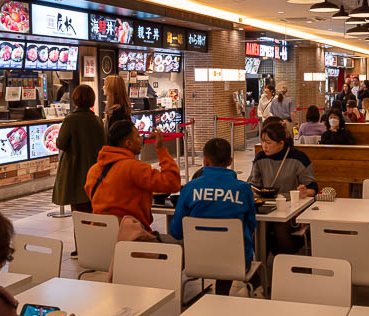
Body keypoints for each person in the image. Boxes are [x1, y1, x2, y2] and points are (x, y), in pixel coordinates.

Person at [170, 138, 258, 296]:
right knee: (232, 250)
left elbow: (176, 232)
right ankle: (223, 294)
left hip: (196, 261)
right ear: (230, 161)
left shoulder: (190, 188)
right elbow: (251, 225)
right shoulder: (243, 189)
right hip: (235, 262)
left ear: (205, 161)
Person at [85, 120, 181, 237]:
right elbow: (172, 183)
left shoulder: (93, 170)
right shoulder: (135, 168)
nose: (141, 139)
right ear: (128, 144)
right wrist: (161, 150)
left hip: (99, 236)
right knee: (175, 249)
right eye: (138, 136)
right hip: (130, 239)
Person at [250, 123, 318, 254]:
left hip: (292, 210)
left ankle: (285, 264)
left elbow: (312, 189)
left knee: (280, 227)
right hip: (267, 206)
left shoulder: (298, 158)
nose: (264, 146)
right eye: (262, 141)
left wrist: (304, 192)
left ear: (281, 143)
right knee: (257, 226)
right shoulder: (260, 158)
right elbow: (254, 185)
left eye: (268, 142)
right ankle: (259, 266)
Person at [53, 85, 106, 214]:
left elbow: (61, 143)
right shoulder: (97, 120)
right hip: (95, 174)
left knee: (79, 215)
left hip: (74, 173)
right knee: (94, 214)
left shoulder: (71, 120)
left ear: (75, 99)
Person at [103, 75, 131, 139]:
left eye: (105, 85)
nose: (103, 87)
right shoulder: (121, 109)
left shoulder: (116, 112)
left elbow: (114, 137)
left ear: (111, 88)